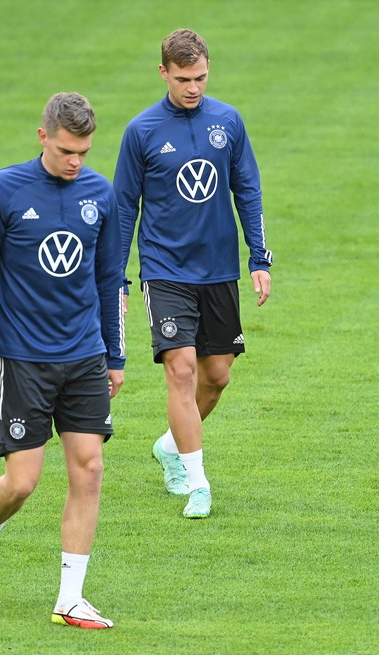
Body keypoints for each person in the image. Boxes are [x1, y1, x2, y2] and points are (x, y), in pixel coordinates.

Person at [0, 92, 125, 628]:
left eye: (83, 151)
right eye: (64, 150)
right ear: (42, 138)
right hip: (24, 359)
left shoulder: (101, 194)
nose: (75, 161)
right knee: (22, 482)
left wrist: (115, 353)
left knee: (90, 469)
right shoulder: (3, 190)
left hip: (84, 355)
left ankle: (70, 598)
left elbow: (109, 280)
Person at [114, 28, 272, 519]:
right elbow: (123, 209)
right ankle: (198, 482)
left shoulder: (228, 121)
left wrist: (259, 257)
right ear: (163, 72)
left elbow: (248, 189)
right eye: (183, 78)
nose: (193, 87)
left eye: (201, 77)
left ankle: (170, 446)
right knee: (180, 369)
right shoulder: (141, 132)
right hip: (164, 269)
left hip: (218, 269)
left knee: (217, 376)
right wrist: (115, 278)